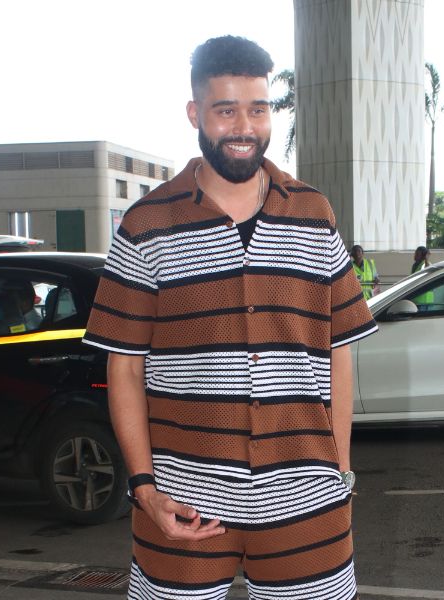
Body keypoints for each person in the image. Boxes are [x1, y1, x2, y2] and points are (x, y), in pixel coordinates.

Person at [82, 35, 377, 600]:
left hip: (305, 498)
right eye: (226, 110)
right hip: (183, 499)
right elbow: (124, 368)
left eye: (258, 109)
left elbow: (338, 351)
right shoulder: (146, 225)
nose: (244, 127)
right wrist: (144, 488)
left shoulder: (313, 213)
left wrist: (339, 472)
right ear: (195, 113)